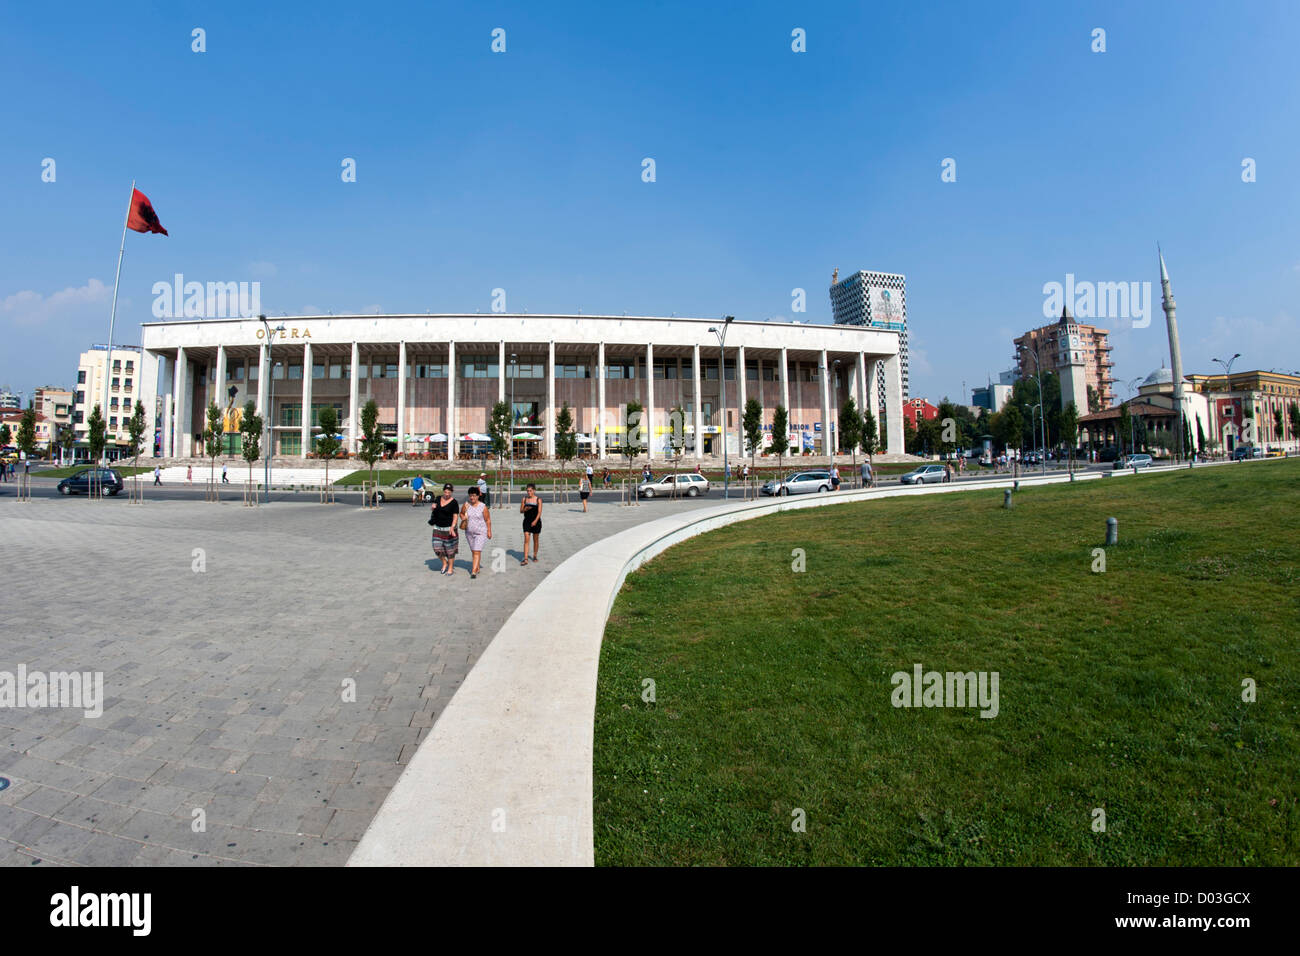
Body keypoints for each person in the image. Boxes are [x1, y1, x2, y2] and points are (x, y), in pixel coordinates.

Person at [459, 486, 491, 578]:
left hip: (481, 532)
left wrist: (489, 531)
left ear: (477, 496)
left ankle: (473, 572)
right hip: (469, 532)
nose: (472, 498)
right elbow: (461, 513)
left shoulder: (483, 507)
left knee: (476, 550)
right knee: (474, 551)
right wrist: (463, 517)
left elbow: (488, 520)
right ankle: (477, 567)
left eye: (473, 495)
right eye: (470, 496)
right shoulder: (466, 505)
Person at [429, 483, 459, 575]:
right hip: (437, 528)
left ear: (452, 492)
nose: (447, 494)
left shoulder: (454, 502)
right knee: (436, 548)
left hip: (449, 529)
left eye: (449, 492)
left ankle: (450, 568)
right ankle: (444, 562)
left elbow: (455, 516)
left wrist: (452, 527)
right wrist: (432, 508)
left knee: (450, 550)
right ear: (443, 491)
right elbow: (433, 509)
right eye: (445, 492)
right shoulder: (438, 498)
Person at [520, 483, 543, 564]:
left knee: (535, 539)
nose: (529, 492)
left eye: (530, 491)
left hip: (536, 521)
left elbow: (539, 512)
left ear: (534, 491)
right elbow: (521, 511)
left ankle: (535, 555)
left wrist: (535, 521)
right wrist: (525, 509)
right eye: (527, 491)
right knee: (526, 539)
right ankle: (525, 559)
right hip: (527, 521)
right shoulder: (524, 499)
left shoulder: (538, 500)